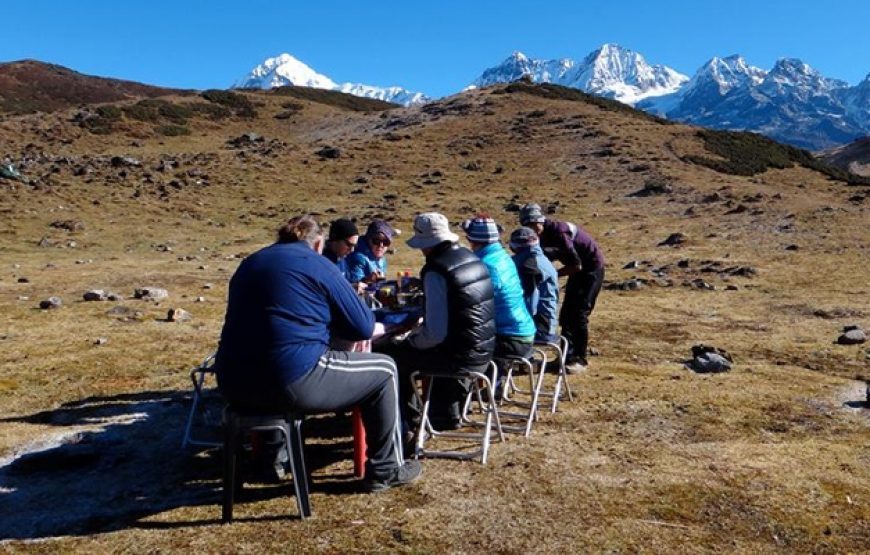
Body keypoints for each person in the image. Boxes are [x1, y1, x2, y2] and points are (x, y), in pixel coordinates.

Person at [214, 214, 421, 492]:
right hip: (293, 379)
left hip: (232, 383)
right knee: (385, 370)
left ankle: (271, 458)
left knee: (270, 359)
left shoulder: (250, 262)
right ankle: (386, 468)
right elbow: (362, 325)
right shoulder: (318, 264)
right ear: (319, 243)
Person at [375, 212, 496, 433]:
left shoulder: (436, 270)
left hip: (459, 357)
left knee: (392, 356)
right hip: (483, 351)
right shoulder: (470, 257)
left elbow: (435, 334)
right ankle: (444, 413)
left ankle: (407, 425)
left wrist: (407, 340)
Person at [520, 203, 605, 373]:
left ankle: (579, 359)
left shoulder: (559, 232)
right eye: (527, 226)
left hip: (590, 269)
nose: (532, 229)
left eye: (534, 224)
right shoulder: (540, 235)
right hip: (576, 270)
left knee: (580, 314)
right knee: (566, 314)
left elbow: (576, 265)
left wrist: (551, 276)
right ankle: (565, 356)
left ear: (541, 221)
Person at [463, 216, 536, 362]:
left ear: (472, 240)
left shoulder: (487, 265)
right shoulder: (502, 256)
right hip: (522, 330)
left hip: (509, 336)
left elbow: (478, 303)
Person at [508, 227, 560, 343]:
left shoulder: (529, 267)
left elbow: (531, 301)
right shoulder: (539, 258)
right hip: (548, 320)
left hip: (539, 325)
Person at [346, 220, 395, 285]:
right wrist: (367, 280)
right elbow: (355, 286)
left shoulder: (382, 259)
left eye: (386, 242)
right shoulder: (358, 258)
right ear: (368, 238)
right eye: (376, 240)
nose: (381, 245)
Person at [322, 218, 361, 286]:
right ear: (335, 239)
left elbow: (348, 281)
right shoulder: (321, 260)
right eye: (349, 245)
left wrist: (365, 281)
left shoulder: (341, 258)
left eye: (355, 246)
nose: (352, 250)